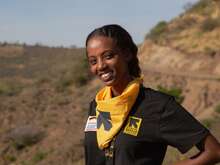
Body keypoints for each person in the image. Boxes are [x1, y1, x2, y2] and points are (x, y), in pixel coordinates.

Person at [84, 24, 220, 165]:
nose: (100, 66)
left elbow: (214, 151)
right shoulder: (98, 105)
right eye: (93, 61)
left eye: (108, 56)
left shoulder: (158, 106)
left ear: (127, 54)